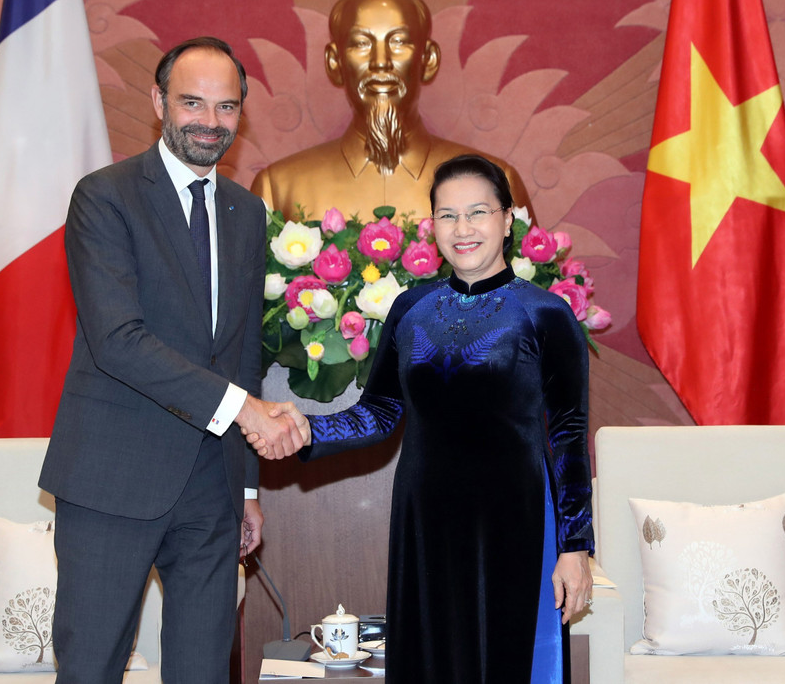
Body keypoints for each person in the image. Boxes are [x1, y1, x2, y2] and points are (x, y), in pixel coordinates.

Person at [249, 154, 593, 684]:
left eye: (477, 212)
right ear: (433, 226)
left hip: (517, 518)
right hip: (425, 517)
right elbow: (380, 411)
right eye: (448, 215)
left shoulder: (546, 313)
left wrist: (574, 548)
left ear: (507, 220)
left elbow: (568, 433)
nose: (463, 228)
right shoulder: (411, 308)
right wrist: (307, 429)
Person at [38, 37, 308, 684]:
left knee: (204, 671)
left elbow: (240, 351)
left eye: (226, 107)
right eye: (192, 103)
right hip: (113, 478)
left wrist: (247, 489)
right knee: (92, 668)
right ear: (159, 102)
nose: (209, 122)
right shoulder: (104, 197)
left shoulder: (247, 212)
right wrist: (245, 411)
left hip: (212, 486)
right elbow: (118, 340)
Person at [250, 0, 535, 222]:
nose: (381, 62)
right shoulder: (279, 189)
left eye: (399, 42)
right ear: (334, 62)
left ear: (428, 59)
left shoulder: (497, 183)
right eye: (361, 43)